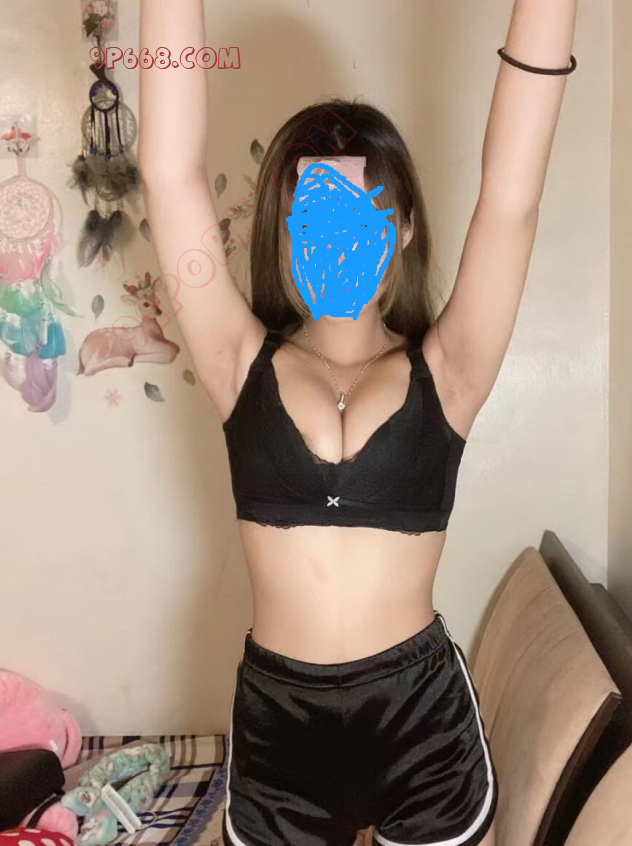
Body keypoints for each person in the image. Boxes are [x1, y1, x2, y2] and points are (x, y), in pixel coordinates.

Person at [138, 1, 579, 844]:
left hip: (422, 726)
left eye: (358, 211)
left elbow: (510, 200)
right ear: (283, 233)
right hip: (280, 728)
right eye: (314, 215)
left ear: (402, 225)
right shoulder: (236, 362)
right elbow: (169, 175)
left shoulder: (450, 372)